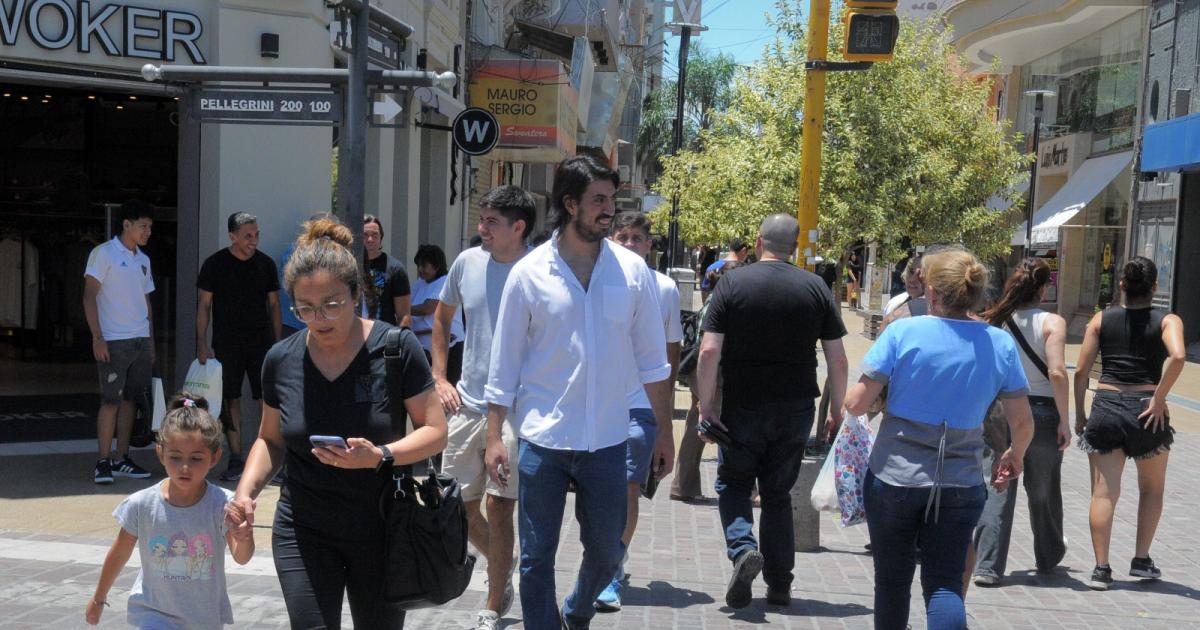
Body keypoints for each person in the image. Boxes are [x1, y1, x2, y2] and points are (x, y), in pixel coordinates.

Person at [225, 217, 448, 628]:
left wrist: (380, 455)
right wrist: (244, 493)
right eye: (304, 308)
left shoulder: (395, 349)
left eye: (332, 304)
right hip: (303, 528)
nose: (319, 318)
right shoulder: (281, 359)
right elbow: (270, 440)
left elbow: (435, 432)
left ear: (356, 293)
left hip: (382, 530)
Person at [483, 155, 673, 630]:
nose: (609, 210)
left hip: (608, 438)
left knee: (608, 550)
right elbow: (503, 364)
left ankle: (578, 611)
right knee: (536, 558)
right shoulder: (529, 275)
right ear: (570, 204)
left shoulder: (632, 273)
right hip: (542, 441)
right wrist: (491, 437)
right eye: (599, 200)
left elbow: (654, 362)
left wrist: (664, 433)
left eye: (612, 200)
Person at [843, 248, 1034, 630]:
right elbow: (1023, 421)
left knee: (893, 582)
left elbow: (856, 403)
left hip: (895, 476)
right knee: (945, 585)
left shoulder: (903, 332)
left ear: (931, 292)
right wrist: (1015, 455)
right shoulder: (999, 344)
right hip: (961, 481)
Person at [695, 213, 848, 609]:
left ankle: (744, 548)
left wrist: (706, 403)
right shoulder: (816, 287)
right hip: (795, 406)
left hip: (742, 406)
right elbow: (838, 359)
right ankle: (780, 584)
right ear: (794, 247)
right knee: (778, 493)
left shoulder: (731, 283)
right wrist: (837, 410)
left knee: (733, 484)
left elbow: (710, 350)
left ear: (759, 241)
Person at [432, 185, 536, 630]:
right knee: (457, 505)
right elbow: (441, 318)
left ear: (519, 227)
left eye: (491, 222)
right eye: (481, 220)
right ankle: (502, 562)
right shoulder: (466, 262)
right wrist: (438, 377)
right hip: (467, 406)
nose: (481, 230)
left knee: (500, 507)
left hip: (517, 410)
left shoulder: (540, 270)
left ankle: (493, 603)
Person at [85, 393, 254, 627]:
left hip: (203, 617)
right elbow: (119, 553)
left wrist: (243, 536)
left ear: (215, 457)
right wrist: (99, 598)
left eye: (196, 458)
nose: (185, 467)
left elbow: (242, 556)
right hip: (153, 613)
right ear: (160, 453)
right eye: (175, 457)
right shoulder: (142, 504)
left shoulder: (222, 504)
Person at [1074, 256, 1185, 590]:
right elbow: (1178, 357)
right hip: (1147, 409)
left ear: (1121, 284)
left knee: (1104, 492)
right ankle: (1141, 559)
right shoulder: (1167, 320)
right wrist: (1160, 397)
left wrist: (1080, 414)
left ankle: (1101, 569)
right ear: (1155, 287)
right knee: (1151, 489)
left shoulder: (1100, 319)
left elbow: (1080, 371)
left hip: (1106, 405)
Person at [596, 211, 683, 612]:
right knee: (598, 493)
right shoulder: (593, 281)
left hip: (640, 408)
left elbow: (668, 361)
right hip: (596, 404)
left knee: (629, 488)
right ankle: (600, 561)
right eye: (622, 237)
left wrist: (666, 428)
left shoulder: (665, 289)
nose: (630, 244)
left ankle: (611, 568)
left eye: (637, 238)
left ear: (650, 245)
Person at [972, 258, 1071, 586]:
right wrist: (1065, 420)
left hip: (1001, 410)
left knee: (998, 484)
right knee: (1042, 489)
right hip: (1042, 412)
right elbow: (1057, 372)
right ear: (1043, 289)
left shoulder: (995, 320)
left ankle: (987, 565)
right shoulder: (1052, 323)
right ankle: (1048, 555)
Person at [196, 212, 283, 482]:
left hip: (262, 343)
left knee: (266, 400)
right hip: (227, 343)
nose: (253, 240)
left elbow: (274, 306)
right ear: (232, 236)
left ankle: (271, 456)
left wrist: (278, 345)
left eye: (256, 234)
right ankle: (236, 458)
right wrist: (201, 343)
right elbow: (204, 306)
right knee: (230, 398)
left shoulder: (266, 265)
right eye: (248, 235)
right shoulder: (214, 264)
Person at [83, 199, 156, 485]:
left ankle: (121, 458)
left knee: (131, 401)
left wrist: (150, 341)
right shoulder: (103, 253)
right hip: (113, 340)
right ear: (126, 225)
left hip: (139, 338)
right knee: (111, 399)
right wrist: (97, 337)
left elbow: (146, 300)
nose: (147, 232)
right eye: (143, 226)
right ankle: (102, 460)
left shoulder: (143, 259)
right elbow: (89, 295)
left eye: (150, 227)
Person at [671, 261, 740, 504]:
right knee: (712, 427)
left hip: (703, 373)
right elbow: (710, 348)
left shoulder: (714, 300)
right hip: (713, 373)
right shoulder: (722, 304)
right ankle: (739, 487)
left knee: (697, 425)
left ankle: (684, 485)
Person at [410, 244, 464, 374]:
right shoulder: (419, 283)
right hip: (423, 348)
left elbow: (428, 308)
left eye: (424, 266)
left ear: (436, 266)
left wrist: (402, 309)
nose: (420, 270)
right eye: (419, 266)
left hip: (448, 348)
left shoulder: (445, 282)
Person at [362, 214, 412, 327]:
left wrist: (401, 341)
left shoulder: (395, 268)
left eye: (375, 235)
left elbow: (403, 315)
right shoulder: (349, 266)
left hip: (383, 337)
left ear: (381, 238)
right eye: (365, 235)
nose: (370, 239)